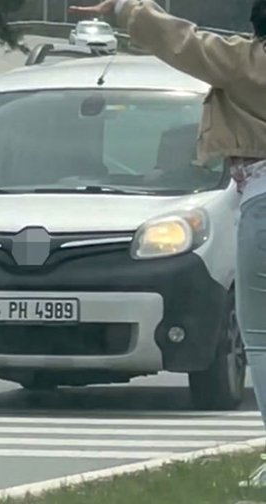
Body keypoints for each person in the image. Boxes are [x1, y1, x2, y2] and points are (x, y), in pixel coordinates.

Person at [71, 0, 266, 465]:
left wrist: (122, 8)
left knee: (259, 338)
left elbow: (180, 40)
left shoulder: (243, 62)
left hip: (262, 204)